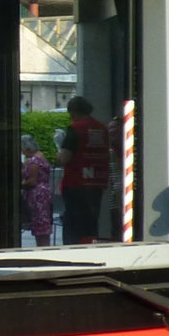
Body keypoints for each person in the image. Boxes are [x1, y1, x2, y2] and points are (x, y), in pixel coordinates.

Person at [58, 94, 112, 243]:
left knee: (74, 226)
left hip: (76, 183)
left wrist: (59, 150)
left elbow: (64, 158)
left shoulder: (75, 129)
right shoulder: (102, 129)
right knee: (91, 224)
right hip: (96, 182)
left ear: (73, 112)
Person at [20, 133, 55, 246]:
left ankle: (42, 246)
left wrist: (21, 184)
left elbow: (32, 180)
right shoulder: (41, 156)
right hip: (45, 193)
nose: (22, 152)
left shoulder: (33, 161)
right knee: (44, 224)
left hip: (37, 196)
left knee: (40, 224)